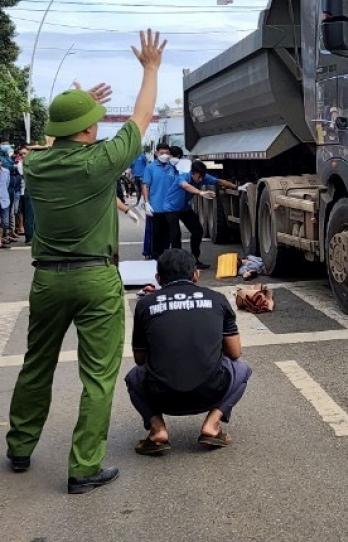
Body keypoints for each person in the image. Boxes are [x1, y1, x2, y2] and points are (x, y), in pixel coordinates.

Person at [6, 29, 166, 494]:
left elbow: (58, 136)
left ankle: (20, 446)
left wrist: (75, 104)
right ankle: (83, 467)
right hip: (95, 277)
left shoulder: (34, 165)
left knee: (37, 363)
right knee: (97, 376)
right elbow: (140, 117)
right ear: (90, 130)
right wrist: (151, 68)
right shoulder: (99, 162)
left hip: (47, 280)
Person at [125, 249, 252, 454]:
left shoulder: (145, 305)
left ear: (158, 278)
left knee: (134, 377)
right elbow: (235, 353)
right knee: (242, 368)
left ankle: (157, 429)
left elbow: (140, 359)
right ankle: (212, 424)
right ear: (196, 275)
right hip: (210, 391)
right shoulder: (217, 299)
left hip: (161, 395)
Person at [177, 162, 233, 270]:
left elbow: (219, 181)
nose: (201, 179)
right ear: (193, 173)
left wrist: (237, 187)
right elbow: (185, 186)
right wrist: (201, 193)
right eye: (199, 176)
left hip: (184, 208)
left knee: (197, 231)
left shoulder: (202, 177)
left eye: (203, 176)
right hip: (172, 209)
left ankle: (195, 260)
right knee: (175, 236)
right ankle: (177, 265)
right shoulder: (183, 177)